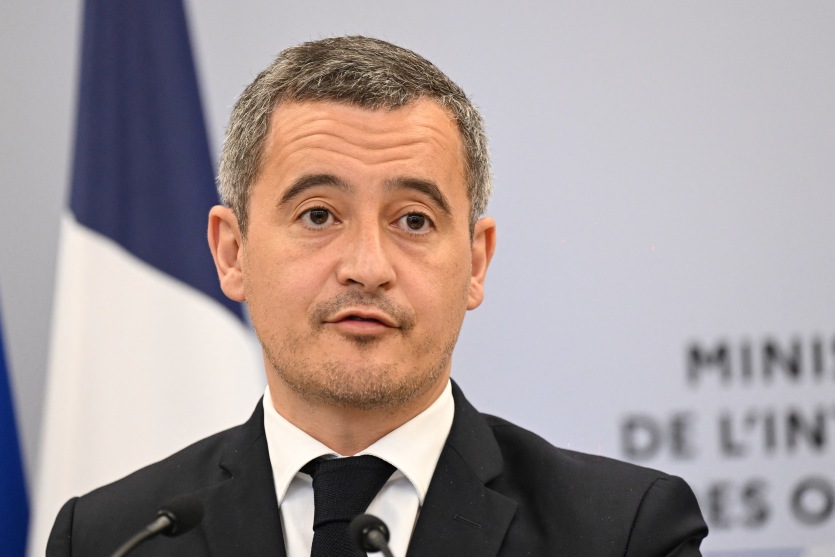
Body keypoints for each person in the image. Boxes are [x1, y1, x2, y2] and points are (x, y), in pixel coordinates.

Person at [47, 36, 708, 556]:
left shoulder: (623, 533)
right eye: (317, 215)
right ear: (232, 252)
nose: (367, 267)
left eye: (413, 220)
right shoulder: (111, 539)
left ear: (476, 262)